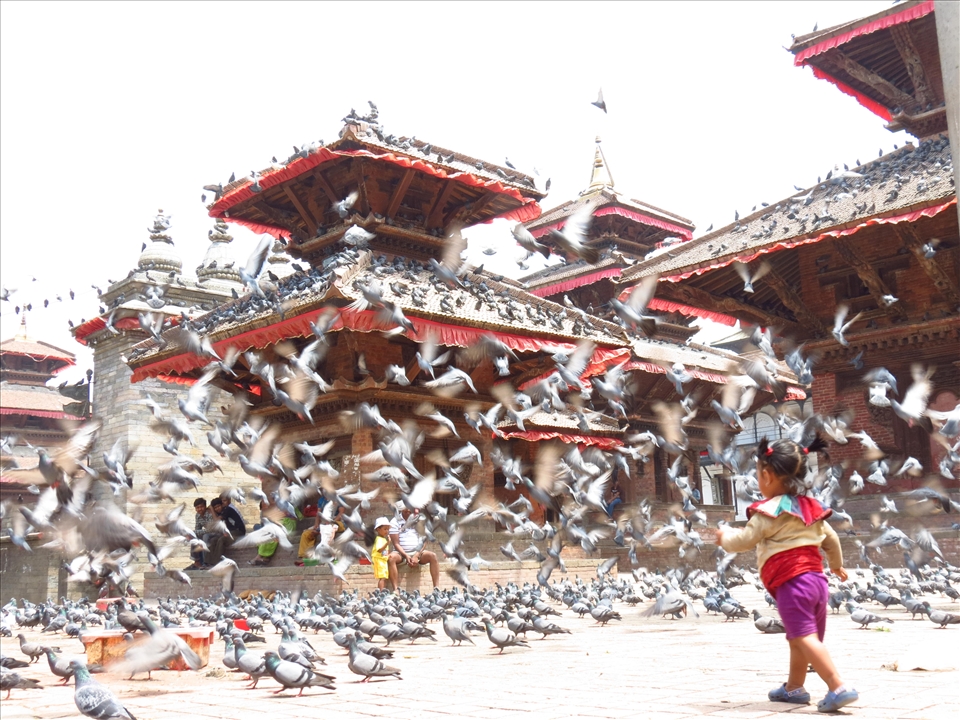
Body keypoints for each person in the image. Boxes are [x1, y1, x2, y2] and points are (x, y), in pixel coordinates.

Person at [716, 435, 857, 713]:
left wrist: (724, 537)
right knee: (798, 637)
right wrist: (836, 565)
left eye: (758, 474)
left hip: (792, 584)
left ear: (767, 476)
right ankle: (794, 688)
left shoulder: (768, 513)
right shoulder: (811, 510)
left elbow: (745, 540)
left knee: (804, 637)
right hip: (817, 582)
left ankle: (837, 685)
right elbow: (831, 540)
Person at [388, 506, 439, 591]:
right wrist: (406, 555)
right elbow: (396, 543)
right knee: (391, 558)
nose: (408, 509)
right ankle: (396, 590)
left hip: (417, 552)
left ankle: (436, 589)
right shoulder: (394, 521)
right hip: (400, 553)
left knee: (433, 556)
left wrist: (417, 555)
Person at [189, 498, 213, 569]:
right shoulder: (197, 515)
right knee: (194, 538)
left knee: (205, 537)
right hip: (206, 532)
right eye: (197, 508)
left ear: (205, 506)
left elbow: (210, 530)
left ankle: (206, 562)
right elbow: (198, 528)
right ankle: (197, 561)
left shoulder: (209, 514)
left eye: (201, 507)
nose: (200, 509)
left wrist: (195, 532)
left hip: (215, 532)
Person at [372, 517, 392, 589]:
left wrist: (388, 555)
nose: (386, 531)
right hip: (379, 560)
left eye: (387, 529)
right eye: (385, 529)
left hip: (383, 560)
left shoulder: (383, 539)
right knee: (382, 578)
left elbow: (384, 551)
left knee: (384, 577)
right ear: (378, 529)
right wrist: (388, 543)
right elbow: (379, 550)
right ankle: (380, 593)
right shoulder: (379, 539)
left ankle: (382, 592)